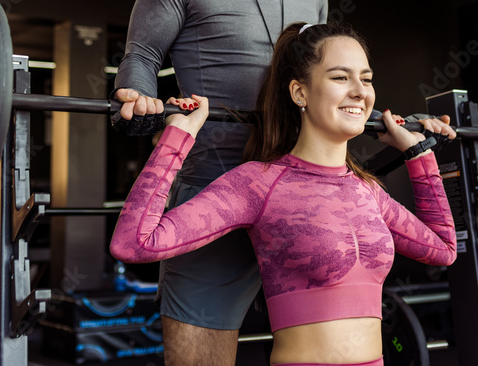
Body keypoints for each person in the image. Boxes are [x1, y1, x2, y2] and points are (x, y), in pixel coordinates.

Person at [111, 0, 332, 364]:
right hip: (213, 193)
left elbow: (321, 86)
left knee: (322, 354)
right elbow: (141, 57)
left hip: (299, 194)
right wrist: (138, 100)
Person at [111, 22, 458, 366]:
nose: (360, 92)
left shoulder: (366, 190)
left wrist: (420, 155)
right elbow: (134, 243)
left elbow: (444, 249)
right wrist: (179, 137)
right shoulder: (258, 184)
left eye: (365, 79)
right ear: (299, 93)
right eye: (340, 77)